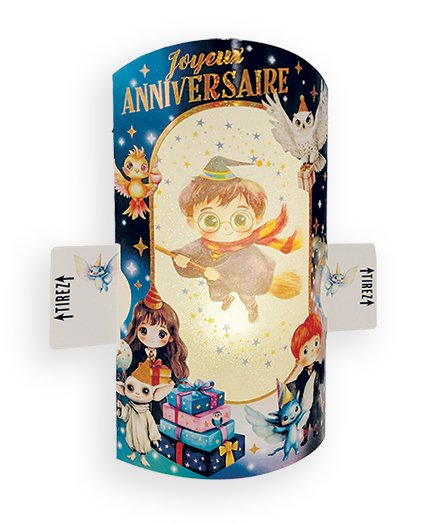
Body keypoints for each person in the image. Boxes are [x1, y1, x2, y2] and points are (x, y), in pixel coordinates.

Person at [172, 156, 303, 323]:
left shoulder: (247, 250)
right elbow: (187, 258)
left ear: (257, 219)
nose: (226, 229)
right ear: (191, 221)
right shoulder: (200, 246)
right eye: (210, 220)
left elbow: (258, 271)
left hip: (242, 282)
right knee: (215, 296)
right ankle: (226, 299)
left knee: (247, 296)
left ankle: (252, 307)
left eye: (240, 219)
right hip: (216, 283)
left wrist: (223, 273)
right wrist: (181, 260)